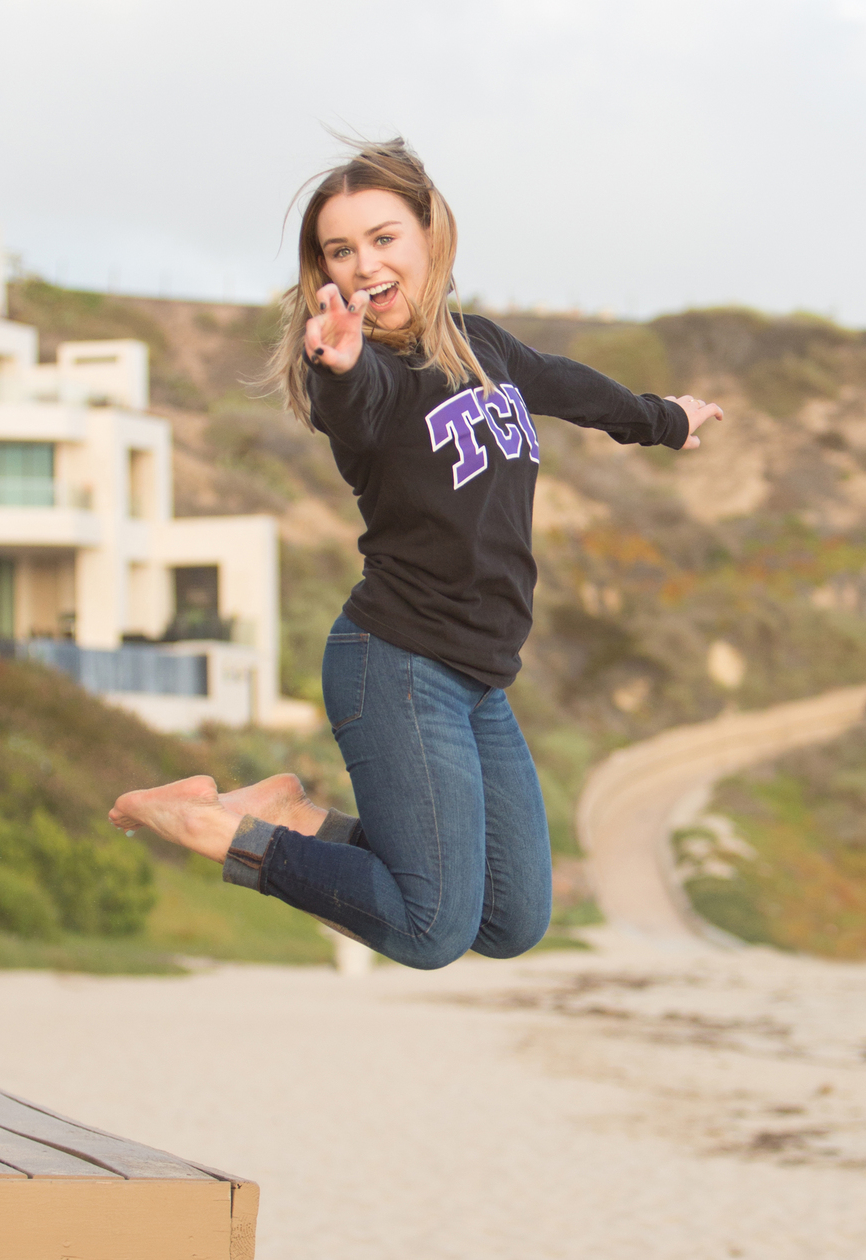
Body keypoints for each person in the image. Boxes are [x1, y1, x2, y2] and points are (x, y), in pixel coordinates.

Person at [110, 138, 722, 969]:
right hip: (397, 665)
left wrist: (663, 419)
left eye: (383, 237)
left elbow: (570, 385)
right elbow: (355, 404)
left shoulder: (483, 348)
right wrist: (340, 361)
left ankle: (291, 818)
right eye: (340, 250)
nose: (364, 263)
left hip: (478, 678)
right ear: (323, 271)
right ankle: (222, 831)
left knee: (510, 917)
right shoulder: (369, 378)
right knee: (432, 929)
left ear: (431, 233)